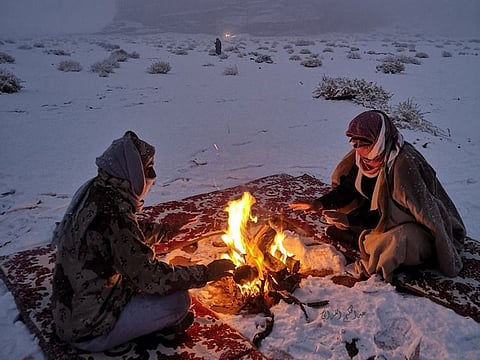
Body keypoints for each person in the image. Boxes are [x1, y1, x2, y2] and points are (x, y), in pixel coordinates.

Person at [51, 131, 235, 352]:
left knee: (150, 282)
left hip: (70, 307)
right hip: (88, 326)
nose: (152, 176)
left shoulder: (95, 189)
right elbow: (149, 276)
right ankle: (133, 332)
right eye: (147, 169)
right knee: (178, 302)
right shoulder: (114, 212)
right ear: (130, 171)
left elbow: (122, 237)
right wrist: (205, 273)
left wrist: (165, 231)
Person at [290, 110, 466, 282]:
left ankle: (363, 248)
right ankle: (363, 239)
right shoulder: (365, 156)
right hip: (378, 214)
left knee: (398, 241)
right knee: (342, 209)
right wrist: (319, 204)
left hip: (413, 224)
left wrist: (350, 220)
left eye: (363, 142)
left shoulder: (403, 164)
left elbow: (397, 214)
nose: (357, 148)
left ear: (379, 138)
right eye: (354, 142)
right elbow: (348, 189)